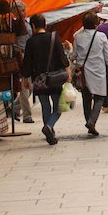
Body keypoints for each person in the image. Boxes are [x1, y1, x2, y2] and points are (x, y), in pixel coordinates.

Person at [21, 13, 71, 145]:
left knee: (45, 107)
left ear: (33, 26)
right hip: (55, 78)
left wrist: (26, 79)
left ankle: (50, 132)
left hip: (39, 80)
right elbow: (62, 57)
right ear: (45, 24)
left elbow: (27, 62)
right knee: (58, 107)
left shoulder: (30, 42)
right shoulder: (54, 37)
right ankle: (49, 127)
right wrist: (68, 73)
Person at [71, 12, 108, 136]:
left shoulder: (78, 37)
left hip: (83, 72)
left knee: (86, 98)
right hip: (99, 71)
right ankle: (92, 121)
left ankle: (89, 122)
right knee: (100, 97)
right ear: (96, 24)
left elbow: (74, 55)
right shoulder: (101, 36)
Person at [11, 0, 34, 123]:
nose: (22, 13)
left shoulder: (28, 23)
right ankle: (27, 116)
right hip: (20, 55)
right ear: (14, 13)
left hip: (30, 56)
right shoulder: (13, 24)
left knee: (31, 87)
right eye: (19, 12)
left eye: (23, 11)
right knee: (26, 86)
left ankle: (14, 108)